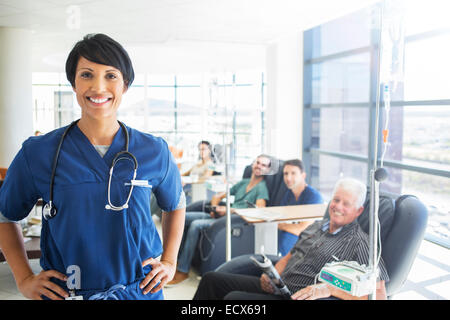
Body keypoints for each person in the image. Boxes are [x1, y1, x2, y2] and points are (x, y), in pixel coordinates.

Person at [0, 33, 185, 300]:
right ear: (73, 83)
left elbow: (175, 204)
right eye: (87, 74)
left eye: (111, 76)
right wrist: (24, 278)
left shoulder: (153, 150)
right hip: (68, 293)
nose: (98, 88)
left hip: (139, 292)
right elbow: (6, 216)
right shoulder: (39, 152)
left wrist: (169, 261)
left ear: (125, 85)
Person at [193, 178, 389, 300]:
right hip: (278, 287)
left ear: (359, 211)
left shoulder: (361, 244)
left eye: (346, 204)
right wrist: (272, 276)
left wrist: (331, 290)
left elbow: (379, 296)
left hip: (297, 296)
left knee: (234, 299)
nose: (337, 206)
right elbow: (289, 256)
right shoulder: (315, 226)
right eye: (336, 200)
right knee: (211, 280)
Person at [167, 154, 271, 285]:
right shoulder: (244, 182)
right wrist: (215, 207)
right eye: (258, 163)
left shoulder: (262, 188)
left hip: (232, 219)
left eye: (264, 165)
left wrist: (229, 211)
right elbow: (219, 195)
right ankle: (175, 259)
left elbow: (259, 210)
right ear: (253, 164)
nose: (259, 166)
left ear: (267, 170)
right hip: (222, 215)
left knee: (195, 225)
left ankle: (183, 270)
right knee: (183, 217)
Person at [278, 159, 323, 255]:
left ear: (303, 176)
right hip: (292, 235)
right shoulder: (289, 194)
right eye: (286, 174)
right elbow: (280, 218)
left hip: (310, 239)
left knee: (285, 239)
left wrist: (280, 226)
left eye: (293, 173)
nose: (288, 178)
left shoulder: (313, 197)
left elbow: (302, 228)